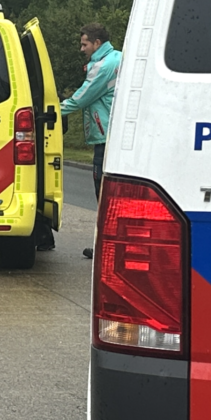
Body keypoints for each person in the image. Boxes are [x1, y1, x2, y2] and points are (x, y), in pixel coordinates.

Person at [60, 23, 122, 259]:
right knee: (115, 195)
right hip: (116, 134)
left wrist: (50, 112)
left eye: (84, 43)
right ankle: (114, 245)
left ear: (97, 43)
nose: (81, 48)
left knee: (103, 194)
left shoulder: (102, 66)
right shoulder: (120, 58)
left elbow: (81, 99)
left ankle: (106, 248)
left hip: (105, 136)